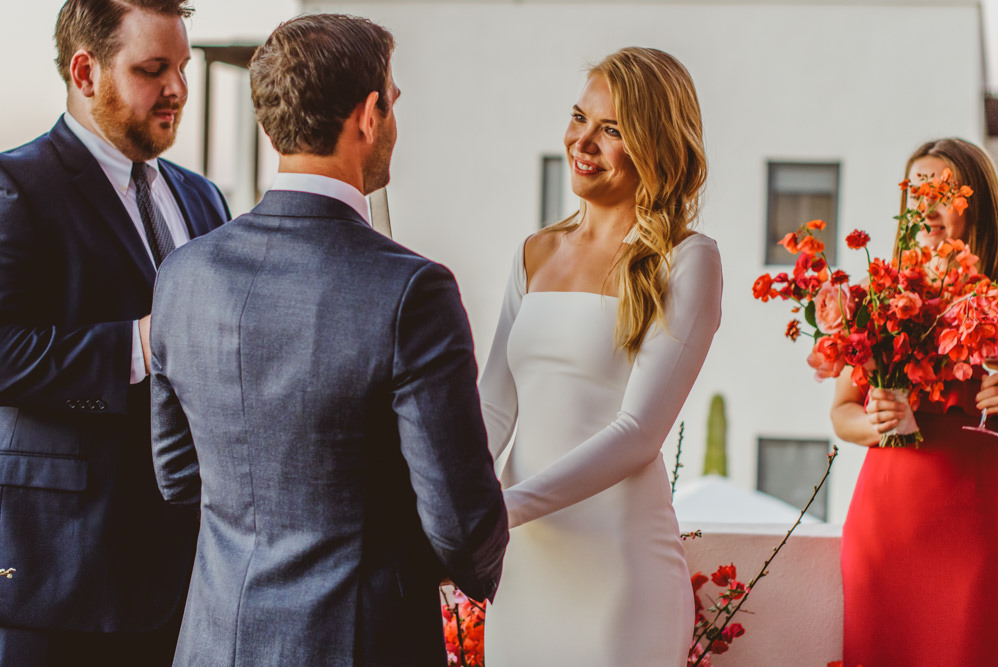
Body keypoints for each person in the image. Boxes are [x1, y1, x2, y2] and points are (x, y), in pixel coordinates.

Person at [149, 13, 508, 666]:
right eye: (393, 102)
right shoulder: (412, 291)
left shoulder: (182, 274)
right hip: (360, 640)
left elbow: (177, 476)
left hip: (213, 639)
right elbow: (461, 523)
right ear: (369, 115)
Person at [0, 0, 229, 664]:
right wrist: (140, 342)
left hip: (192, 573)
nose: (178, 89)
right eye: (153, 69)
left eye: (182, 67)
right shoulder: (17, 186)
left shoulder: (204, 198)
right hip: (63, 572)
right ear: (85, 70)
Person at [478, 47, 723, 666]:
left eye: (611, 130)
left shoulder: (688, 260)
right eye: (579, 118)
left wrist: (500, 510)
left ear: (656, 145)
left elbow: (638, 432)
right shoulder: (535, 251)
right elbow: (493, 408)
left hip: (620, 574)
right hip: (522, 569)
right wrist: (450, 504)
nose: (582, 141)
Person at [832, 138, 998, 666]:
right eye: (917, 190)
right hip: (885, 528)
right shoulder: (878, 295)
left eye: (943, 190)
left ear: (976, 207)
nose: (926, 204)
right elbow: (842, 412)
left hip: (978, 528)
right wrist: (881, 423)